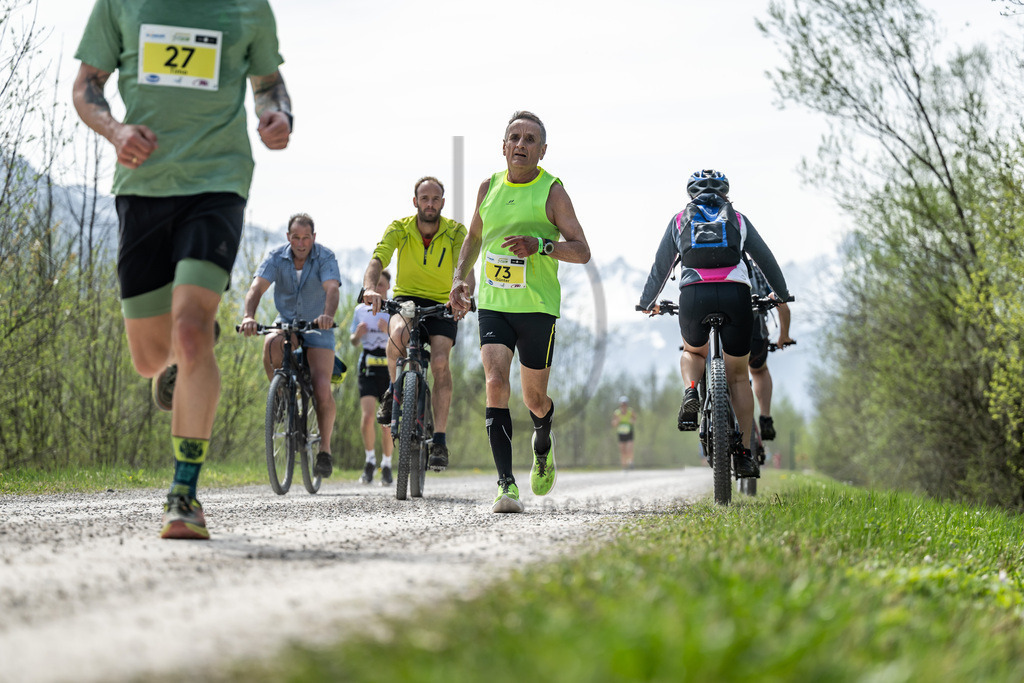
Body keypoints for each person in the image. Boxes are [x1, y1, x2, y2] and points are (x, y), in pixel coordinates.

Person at [72, 0, 292, 540]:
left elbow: (268, 83)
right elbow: (86, 86)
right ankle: (178, 352)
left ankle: (184, 494)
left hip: (218, 181)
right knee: (151, 357)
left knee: (193, 334)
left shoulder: (246, 8)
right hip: (143, 184)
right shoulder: (121, 5)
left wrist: (280, 115)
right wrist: (115, 131)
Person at [449, 110, 591, 513]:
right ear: (504, 146)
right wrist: (460, 278)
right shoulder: (487, 188)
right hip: (494, 305)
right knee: (495, 382)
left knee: (534, 398)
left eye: (530, 140)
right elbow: (474, 238)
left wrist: (541, 245)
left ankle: (542, 438)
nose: (521, 145)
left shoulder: (552, 191)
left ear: (542, 151)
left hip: (538, 308)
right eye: (515, 137)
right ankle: (505, 485)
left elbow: (582, 250)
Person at [639, 170, 791, 479]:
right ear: (726, 193)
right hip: (737, 295)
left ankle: (692, 390)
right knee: (738, 378)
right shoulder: (738, 219)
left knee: (694, 353)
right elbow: (766, 259)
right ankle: (746, 455)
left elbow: (660, 266)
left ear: (690, 195)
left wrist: (646, 303)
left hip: (695, 296)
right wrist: (782, 292)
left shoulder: (680, 221)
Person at [360, 176, 472, 472]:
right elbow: (377, 260)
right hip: (406, 298)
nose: (430, 204)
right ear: (415, 202)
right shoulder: (400, 228)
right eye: (425, 198)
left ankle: (439, 440)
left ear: (442, 203)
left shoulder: (455, 232)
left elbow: (466, 266)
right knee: (397, 333)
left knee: (439, 363)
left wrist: (464, 292)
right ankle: (393, 392)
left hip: (443, 302)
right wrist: (370, 288)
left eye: (436, 199)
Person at [239, 214, 340, 480]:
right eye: (295, 237)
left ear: (313, 238)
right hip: (286, 321)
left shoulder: (325, 257)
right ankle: (282, 396)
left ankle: (325, 451)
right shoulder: (276, 257)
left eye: (306, 237)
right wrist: (249, 316)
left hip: (318, 326)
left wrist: (328, 315)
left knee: (320, 387)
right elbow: (256, 289)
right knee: (270, 343)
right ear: (288, 237)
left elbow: (332, 290)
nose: (301, 243)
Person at [350, 270, 394, 485]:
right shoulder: (360, 310)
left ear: (388, 287)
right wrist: (357, 335)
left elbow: (402, 344)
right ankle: (369, 461)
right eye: (375, 285)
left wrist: (389, 333)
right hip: (367, 366)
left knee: (386, 422)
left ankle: (386, 464)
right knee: (368, 417)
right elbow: (352, 341)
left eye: (382, 285)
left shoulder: (393, 310)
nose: (378, 289)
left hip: (388, 368)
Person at [746, 259, 795, 441]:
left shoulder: (709, 266)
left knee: (732, 374)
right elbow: (783, 306)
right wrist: (784, 336)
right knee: (759, 370)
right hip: (755, 336)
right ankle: (765, 417)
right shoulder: (755, 268)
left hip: (721, 336)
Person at [611, 396, 637, 470]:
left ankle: (631, 462)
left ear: (627, 404)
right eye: (622, 404)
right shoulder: (617, 413)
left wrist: (632, 421)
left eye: (625, 404)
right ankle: (624, 466)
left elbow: (635, 419)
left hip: (629, 432)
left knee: (629, 449)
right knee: (623, 450)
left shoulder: (630, 411)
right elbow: (613, 423)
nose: (624, 405)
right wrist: (617, 421)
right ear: (620, 404)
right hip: (621, 433)